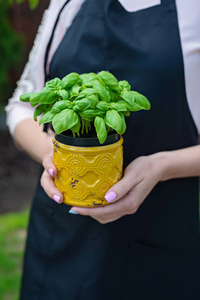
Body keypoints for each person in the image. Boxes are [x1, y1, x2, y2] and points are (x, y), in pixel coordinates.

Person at [5, 0, 200, 299]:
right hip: (61, 231)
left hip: (158, 229)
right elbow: (20, 106)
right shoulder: (67, 3)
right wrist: (52, 155)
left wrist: (160, 165)